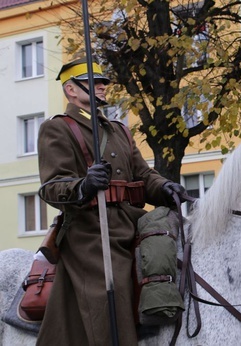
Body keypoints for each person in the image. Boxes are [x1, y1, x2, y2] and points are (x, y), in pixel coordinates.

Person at [36, 57, 184, 346]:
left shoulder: (119, 130)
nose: (102, 86)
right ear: (71, 90)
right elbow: (51, 187)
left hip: (132, 221)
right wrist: (84, 185)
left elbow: (144, 175)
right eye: (93, 83)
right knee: (111, 287)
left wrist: (165, 187)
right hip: (90, 230)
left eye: (103, 82)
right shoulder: (58, 128)